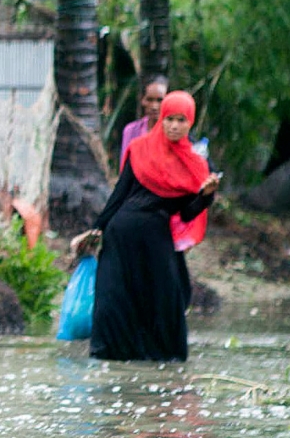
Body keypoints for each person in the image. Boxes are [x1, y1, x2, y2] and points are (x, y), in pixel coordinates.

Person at [71, 90, 221, 362]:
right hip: (121, 233)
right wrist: (96, 229)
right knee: (115, 296)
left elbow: (187, 214)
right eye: (169, 119)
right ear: (161, 120)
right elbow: (120, 193)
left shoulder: (197, 165)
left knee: (168, 297)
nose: (174, 126)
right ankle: (109, 356)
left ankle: (163, 360)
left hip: (156, 236)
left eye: (181, 120)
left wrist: (206, 195)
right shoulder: (140, 149)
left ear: (190, 123)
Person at [119, 75, 170, 159]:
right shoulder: (131, 131)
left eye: (160, 100)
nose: (154, 106)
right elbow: (125, 166)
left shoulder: (174, 132)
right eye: (149, 100)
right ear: (142, 100)